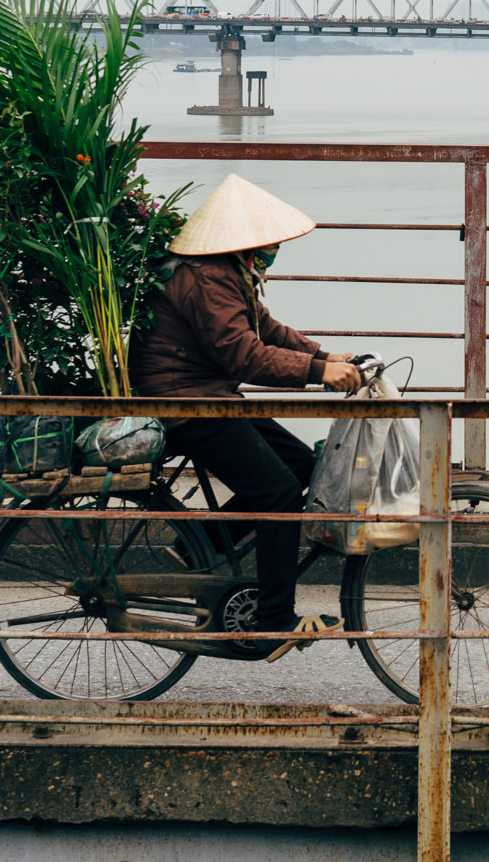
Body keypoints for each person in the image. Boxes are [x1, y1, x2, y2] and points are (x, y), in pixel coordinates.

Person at [128, 173, 360, 662]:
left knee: (302, 466)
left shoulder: (226, 272)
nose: (275, 247)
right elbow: (245, 355)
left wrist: (327, 355)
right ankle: (275, 620)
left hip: (209, 396)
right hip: (186, 405)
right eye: (268, 239)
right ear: (246, 239)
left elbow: (268, 328)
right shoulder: (206, 278)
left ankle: (201, 545)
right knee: (276, 493)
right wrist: (319, 373)